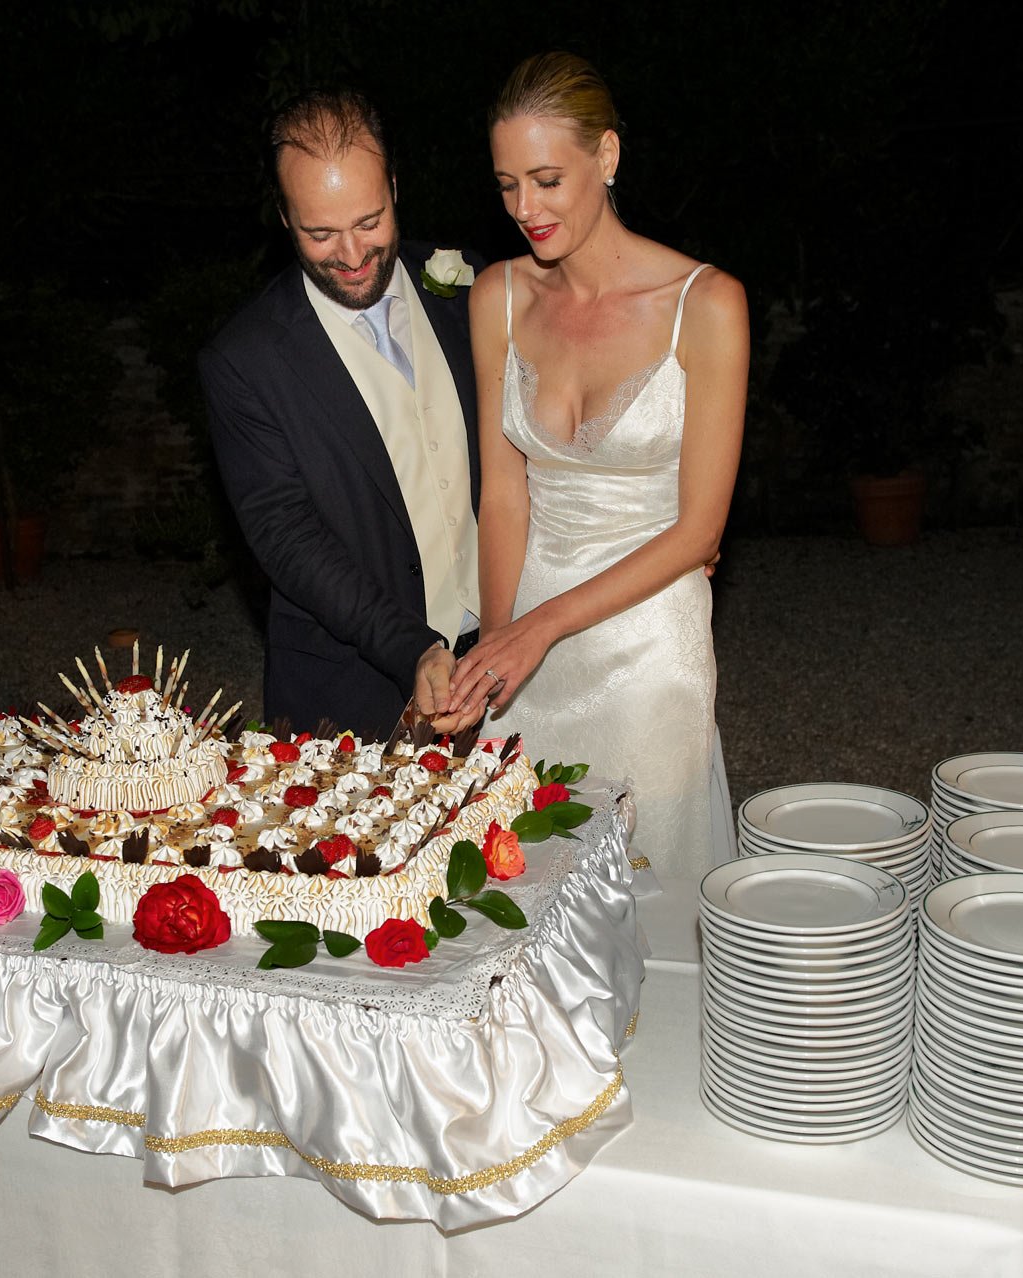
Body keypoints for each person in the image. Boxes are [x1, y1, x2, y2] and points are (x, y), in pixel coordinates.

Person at [444, 54, 747, 874]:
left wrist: (536, 630)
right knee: (520, 888)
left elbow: (699, 532)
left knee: (649, 882)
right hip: (529, 628)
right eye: (507, 185)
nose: (524, 209)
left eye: (546, 180)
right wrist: (498, 649)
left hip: (652, 638)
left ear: (606, 157)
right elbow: (504, 496)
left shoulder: (706, 304)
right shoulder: (496, 297)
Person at [201, 89, 485, 740]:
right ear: (282, 216)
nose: (353, 255)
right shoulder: (245, 360)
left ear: (393, 187)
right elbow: (286, 534)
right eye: (320, 232)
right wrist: (411, 647)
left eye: (369, 221)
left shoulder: (469, 283)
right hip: (352, 692)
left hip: (504, 661)